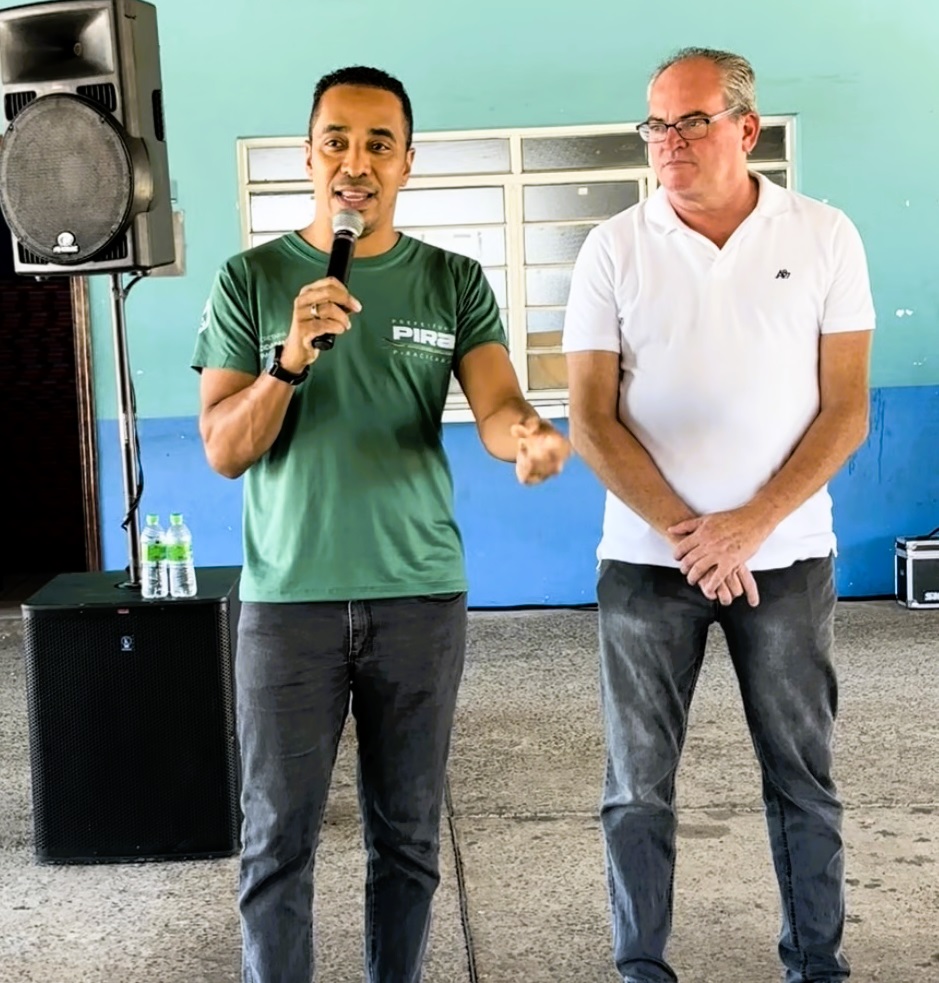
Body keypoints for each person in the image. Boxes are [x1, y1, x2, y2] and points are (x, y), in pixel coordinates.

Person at [192, 65, 571, 983]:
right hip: (289, 604)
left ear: (407, 160)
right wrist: (286, 361)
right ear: (306, 153)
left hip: (418, 598)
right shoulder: (251, 279)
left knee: (406, 840)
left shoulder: (450, 280)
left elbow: (496, 402)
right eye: (336, 140)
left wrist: (523, 434)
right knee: (275, 840)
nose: (354, 162)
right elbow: (223, 448)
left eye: (377, 143)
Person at [562, 47, 874, 983]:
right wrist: (692, 536)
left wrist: (749, 524)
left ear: (745, 126)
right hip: (644, 564)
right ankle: (639, 967)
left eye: (689, 121)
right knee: (635, 788)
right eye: (655, 125)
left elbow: (845, 408)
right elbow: (589, 417)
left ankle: (816, 962)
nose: (668, 143)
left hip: (785, 561)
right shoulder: (613, 245)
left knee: (801, 780)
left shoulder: (822, 235)